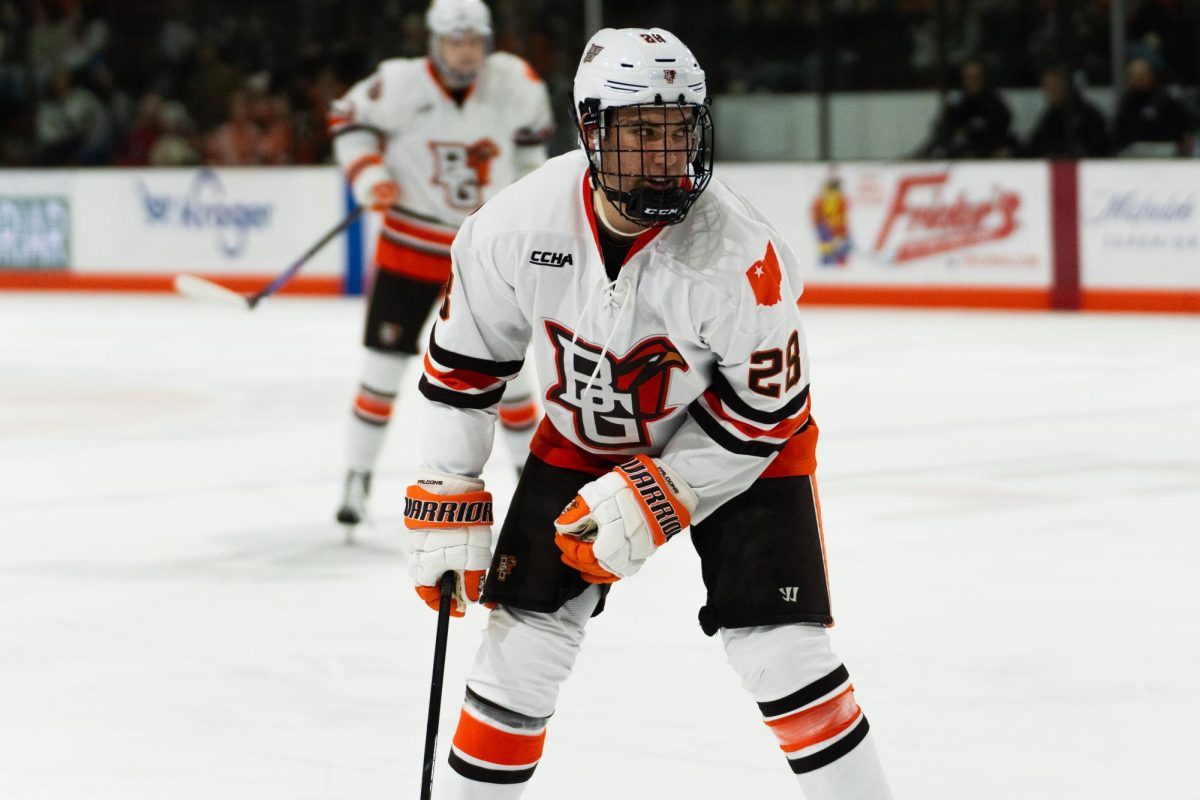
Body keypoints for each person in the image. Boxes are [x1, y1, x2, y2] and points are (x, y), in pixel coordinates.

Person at [404, 27, 894, 799]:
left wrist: (670, 489)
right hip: (586, 434)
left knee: (783, 652)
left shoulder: (741, 256)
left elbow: (767, 414)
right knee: (520, 649)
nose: (666, 154)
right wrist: (447, 480)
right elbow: (466, 363)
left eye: (679, 130)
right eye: (641, 131)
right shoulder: (512, 229)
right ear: (590, 130)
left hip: (735, 448)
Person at [327, 0, 554, 529]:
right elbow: (347, 118)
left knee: (512, 375)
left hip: (483, 255)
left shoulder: (515, 83)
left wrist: (521, 208)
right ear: (434, 41)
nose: (466, 52)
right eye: (456, 41)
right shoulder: (398, 84)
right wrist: (366, 174)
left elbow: (529, 154)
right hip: (409, 247)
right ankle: (356, 478)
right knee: (382, 370)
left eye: (474, 41)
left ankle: (530, 479)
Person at [921, 58, 1017, 159]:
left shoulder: (993, 101)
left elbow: (1002, 125)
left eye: (976, 77)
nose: (973, 81)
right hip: (962, 149)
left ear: (983, 77)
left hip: (988, 148)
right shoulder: (957, 101)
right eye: (969, 77)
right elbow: (945, 127)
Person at [1113, 56, 1193, 157]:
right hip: (1133, 151)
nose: (1134, 80)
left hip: (1165, 150)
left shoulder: (1165, 101)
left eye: (1140, 76)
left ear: (1150, 76)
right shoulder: (1127, 102)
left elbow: (1180, 128)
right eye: (1131, 76)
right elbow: (1119, 131)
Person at [1024, 67, 1111, 158]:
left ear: (1066, 85)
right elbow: (1035, 145)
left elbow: (1098, 148)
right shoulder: (1051, 115)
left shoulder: (1088, 115)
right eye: (1047, 87)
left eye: (1054, 87)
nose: (1049, 92)